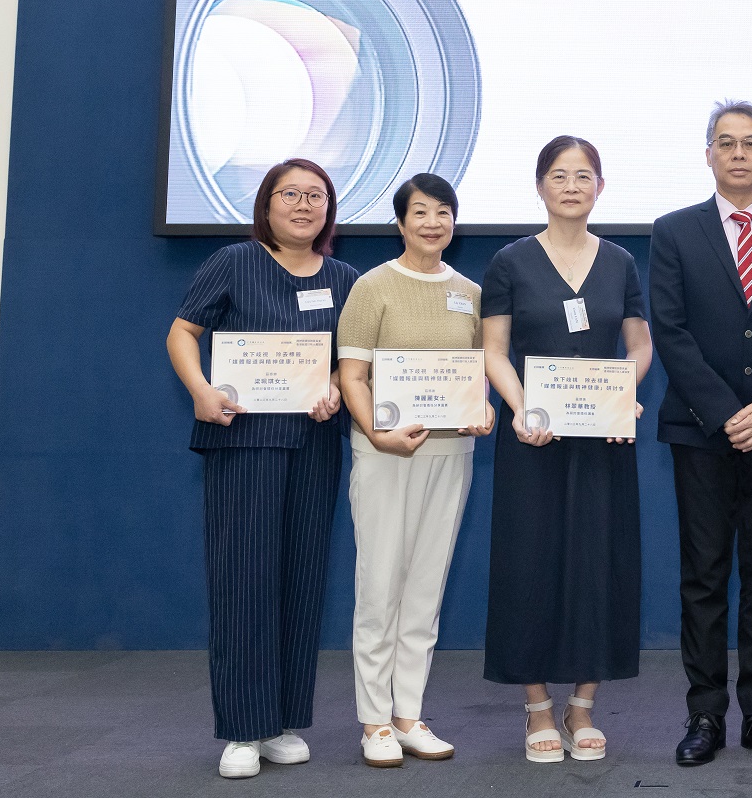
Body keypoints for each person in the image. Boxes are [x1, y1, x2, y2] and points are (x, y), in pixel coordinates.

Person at [165, 159, 355, 780]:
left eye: (316, 195)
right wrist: (199, 388)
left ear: (329, 207)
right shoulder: (233, 262)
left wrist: (332, 385)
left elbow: (351, 361)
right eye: (290, 194)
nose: (303, 204)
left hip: (313, 443)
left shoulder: (345, 278)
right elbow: (183, 332)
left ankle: (279, 723)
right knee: (244, 580)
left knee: (301, 579)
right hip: (241, 439)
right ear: (266, 204)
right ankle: (242, 729)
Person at [650, 100, 752, 767]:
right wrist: (726, 411)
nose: (739, 153)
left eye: (751, 143)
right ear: (710, 155)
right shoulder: (673, 232)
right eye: (727, 142)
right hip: (700, 432)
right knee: (704, 575)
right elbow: (672, 330)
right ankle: (705, 717)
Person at [482, 137, 652, 762]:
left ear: (600, 186)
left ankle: (582, 704)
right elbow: (493, 350)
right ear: (540, 186)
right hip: (534, 440)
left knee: (598, 564)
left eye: (584, 175)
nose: (572, 186)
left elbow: (639, 347)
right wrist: (522, 406)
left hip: (602, 441)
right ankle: (536, 708)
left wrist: (623, 394)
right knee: (529, 566)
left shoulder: (621, 263)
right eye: (560, 175)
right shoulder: (510, 262)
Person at [335, 173, 494, 767]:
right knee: (380, 586)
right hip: (383, 453)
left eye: (443, 212)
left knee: (425, 587)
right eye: (420, 212)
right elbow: (353, 375)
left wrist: (483, 410)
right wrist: (378, 434)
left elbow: (478, 373)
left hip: (450, 454)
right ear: (400, 223)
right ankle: (374, 720)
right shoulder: (371, 287)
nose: (433, 223)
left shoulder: (472, 293)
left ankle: (409, 715)